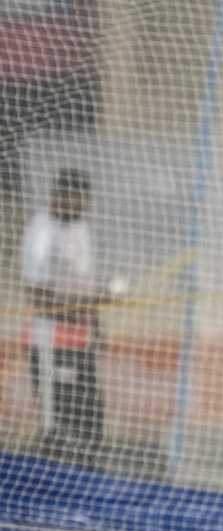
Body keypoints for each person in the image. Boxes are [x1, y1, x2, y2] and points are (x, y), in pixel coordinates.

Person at [21, 168, 117, 468]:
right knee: (59, 418)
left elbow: (83, 282)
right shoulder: (42, 232)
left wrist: (96, 324)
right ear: (61, 197)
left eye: (85, 202)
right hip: (50, 343)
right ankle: (51, 486)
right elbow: (36, 294)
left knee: (90, 416)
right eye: (78, 201)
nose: (82, 207)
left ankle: (88, 483)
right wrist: (85, 302)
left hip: (80, 340)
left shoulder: (80, 228)